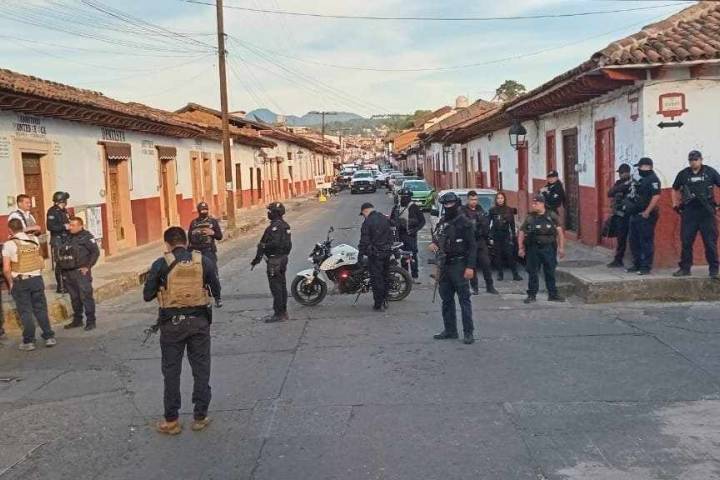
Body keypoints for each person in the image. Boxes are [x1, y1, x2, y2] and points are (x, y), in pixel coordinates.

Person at [143, 226, 220, 435]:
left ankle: (172, 421)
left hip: (172, 326)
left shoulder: (161, 263)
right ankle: (200, 417)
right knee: (201, 369)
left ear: (167, 244)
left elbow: (147, 295)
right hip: (199, 323)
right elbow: (216, 288)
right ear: (186, 241)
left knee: (171, 373)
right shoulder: (203, 261)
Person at [2, 218, 56, 351]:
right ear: (23, 227)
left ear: (10, 230)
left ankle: (29, 341)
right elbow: (39, 259)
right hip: (36, 279)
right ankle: (49, 337)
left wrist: (10, 283)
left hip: (21, 281)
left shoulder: (9, 245)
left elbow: (6, 269)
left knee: (25, 312)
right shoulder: (34, 240)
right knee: (41, 309)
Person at [430, 192, 477, 344]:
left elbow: (473, 247)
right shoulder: (443, 221)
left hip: (460, 265)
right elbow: (437, 237)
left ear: (456, 204)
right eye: (445, 204)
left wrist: (470, 267)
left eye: (450, 204)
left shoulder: (464, 222)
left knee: (464, 301)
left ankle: (468, 332)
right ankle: (450, 330)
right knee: (446, 300)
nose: (448, 206)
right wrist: (434, 244)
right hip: (445, 265)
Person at [671, 150, 720, 278]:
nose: (693, 162)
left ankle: (714, 269)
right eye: (691, 160)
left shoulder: (710, 172)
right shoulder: (683, 174)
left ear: (701, 160)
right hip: (689, 212)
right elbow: (674, 189)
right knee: (686, 242)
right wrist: (675, 204)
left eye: (696, 159)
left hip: (706, 212)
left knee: (710, 242)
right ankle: (685, 268)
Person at [518, 194, 565, 304]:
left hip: (549, 248)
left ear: (542, 204)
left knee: (550, 271)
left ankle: (553, 294)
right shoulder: (530, 217)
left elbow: (560, 233)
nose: (534, 205)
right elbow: (521, 232)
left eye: (536, 203)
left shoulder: (551, 215)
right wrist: (520, 247)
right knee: (533, 272)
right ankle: (531, 295)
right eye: (533, 203)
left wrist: (561, 248)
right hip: (533, 248)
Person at [251, 202, 292, 323]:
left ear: (275, 213)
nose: (268, 213)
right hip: (283, 259)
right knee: (282, 286)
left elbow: (271, 243)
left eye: (270, 211)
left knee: (276, 288)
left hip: (275, 260)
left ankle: (279, 314)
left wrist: (261, 251)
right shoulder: (285, 225)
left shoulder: (274, 228)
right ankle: (283, 312)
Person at [58, 217, 100, 331]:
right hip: (68, 272)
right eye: (70, 225)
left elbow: (95, 252)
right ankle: (77, 320)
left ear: (80, 226)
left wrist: (88, 266)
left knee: (86, 296)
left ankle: (91, 321)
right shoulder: (67, 237)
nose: (70, 227)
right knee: (74, 298)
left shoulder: (86, 237)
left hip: (81, 272)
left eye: (73, 225)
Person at [626, 157, 661, 276]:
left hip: (646, 215)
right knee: (634, 240)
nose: (639, 169)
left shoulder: (653, 179)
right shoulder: (642, 179)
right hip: (636, 213)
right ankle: (637, 264)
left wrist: (647, 212)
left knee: (646, 241)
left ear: (647, 167)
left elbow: (656, 196)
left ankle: (646, 266)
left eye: (640, 167)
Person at [461, 191, 499, 295]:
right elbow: (466, 225)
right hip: (469, 241)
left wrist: (486, 233)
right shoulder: (463, 210)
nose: (474, 202)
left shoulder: (480, 209)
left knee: (486, 263)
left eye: (475, 199)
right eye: (472, 199)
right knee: (472, 265)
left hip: (481, 240)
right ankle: (475, 287)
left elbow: (485, 224)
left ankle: (490, 286)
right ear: (468, 200)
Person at [358, 202, 393, 311]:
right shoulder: (384, 218)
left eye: (363, 214)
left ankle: (379, 303)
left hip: (375, 255)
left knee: (377, 280)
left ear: (365, 211)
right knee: (385, 277)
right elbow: (391, 235)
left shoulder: (367, 222)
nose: (364, 216)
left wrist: (360, 254)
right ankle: (385, 299)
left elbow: (364, 241)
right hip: (386, 253)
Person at [189, 202, 223, 307]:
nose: (204, 212)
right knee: (199, 277)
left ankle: (217, 298)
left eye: (205, 210)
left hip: (209, 251)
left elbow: (219, 236)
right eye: (202, 210)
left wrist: (212, 233)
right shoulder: (193, 223)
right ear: (198, 211)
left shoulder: (213, 222)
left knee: (213, 275)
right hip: (196, 252)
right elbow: (189, 240)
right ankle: (204, 299)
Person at [390, 188, 425, 281]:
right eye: (402, 196)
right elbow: (391, 220)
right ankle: (405, 276)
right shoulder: (396, 208)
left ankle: (414, 276)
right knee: (403, 256)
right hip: (399, 236)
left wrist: (415, 230)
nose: (403, 198)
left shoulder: (414, 207)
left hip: (411, 236)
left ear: (410, 197)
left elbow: (422, 221)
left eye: (406, 196)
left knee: (412, 255)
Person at [489, 192, 522, 281]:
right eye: (498, 198)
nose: (500, 200)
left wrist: (513, 236)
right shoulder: (492, 210)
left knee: (510, 255)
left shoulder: (509, 210)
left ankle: (515, 274)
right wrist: (490, 237)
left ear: (504, 199)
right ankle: (500, 274)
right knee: (498, 256)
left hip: (506, 235)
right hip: (496, 235)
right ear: (496, 200)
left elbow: (512, 224)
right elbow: (489, 224)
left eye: (501, 198)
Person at [606, 164, 633, 268]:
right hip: (619, 214)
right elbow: (610, 193)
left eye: (622, 173)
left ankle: (633, 260)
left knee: (632, 238)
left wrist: (625, 186)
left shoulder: (633, 183)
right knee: (620, 238)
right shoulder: (619, 183)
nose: (621, 175)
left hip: (629, 214)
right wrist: (622, 187)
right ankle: (618, 259)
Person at [46, 191, 71, 293]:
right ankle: (61, 287)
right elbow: (50, 227)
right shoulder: (52, 211)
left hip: (66, 239)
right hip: (57, 240)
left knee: (67, 261)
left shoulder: (64, 211)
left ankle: (67, 284)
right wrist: (64, 226)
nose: (66, 202)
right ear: (61, 201)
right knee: (60, 263)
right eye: (65, 200)